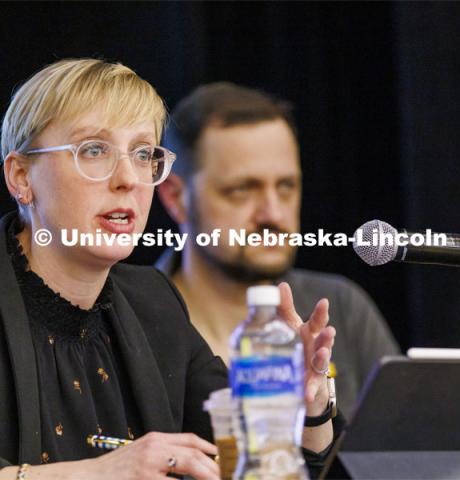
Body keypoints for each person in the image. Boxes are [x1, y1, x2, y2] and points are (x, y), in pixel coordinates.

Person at [0, 59, 341, 479]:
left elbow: (254, 467)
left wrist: (306, 407)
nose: (128, 178)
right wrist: (99, 473)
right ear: (20, 176)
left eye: (143, 154)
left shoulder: (154, 303)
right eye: (93, 150)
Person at [156, 82, 400, 420]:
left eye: (286, 186)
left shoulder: (340, 307)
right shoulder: (134, 322)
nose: (272, 213)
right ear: (175, 197)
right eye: (242, 190)